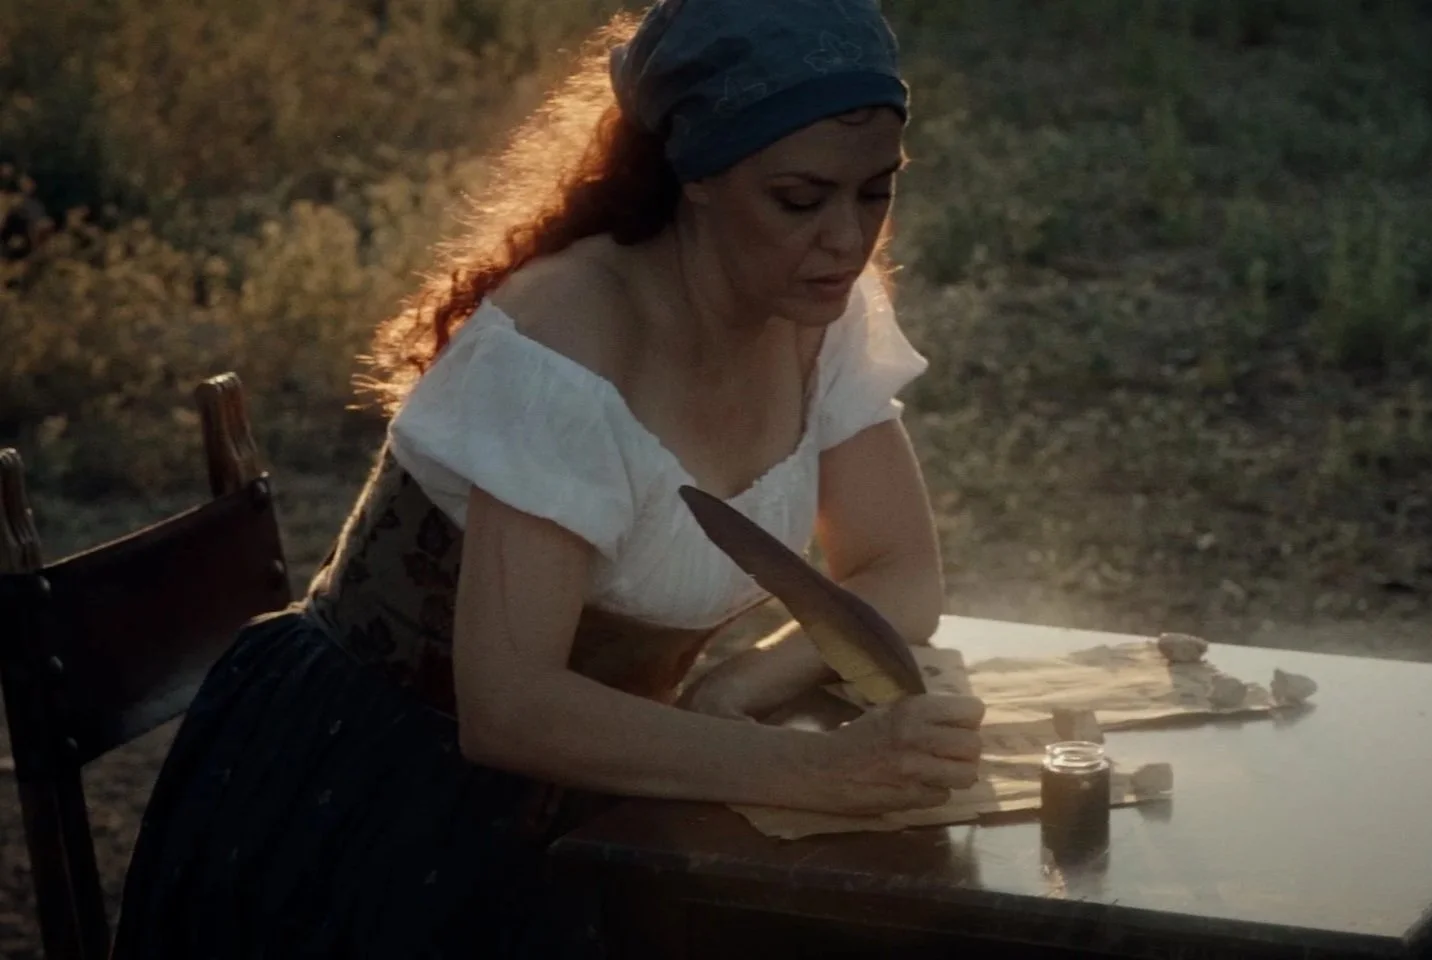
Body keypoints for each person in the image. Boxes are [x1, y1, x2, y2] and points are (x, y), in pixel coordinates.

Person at [109, 0, 987, 956]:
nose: (847, 240)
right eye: (800, 198)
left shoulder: (818, 312)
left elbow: (901, 571)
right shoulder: (568, 347)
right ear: (694, 172)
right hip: (388, 807)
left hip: (619, 774)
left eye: (876, 192)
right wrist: (817, 771)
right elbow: (511, 708)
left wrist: (745, 684)